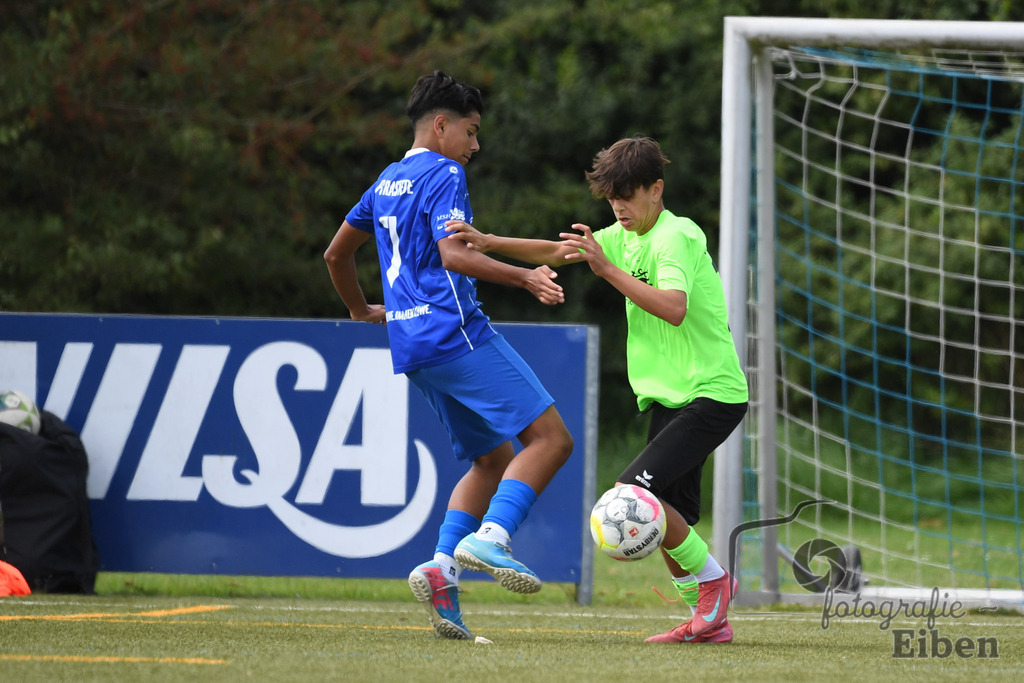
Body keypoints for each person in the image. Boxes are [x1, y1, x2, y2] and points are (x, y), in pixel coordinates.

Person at [445, 135, 749, 644]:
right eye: (611, 199)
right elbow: (562, 250)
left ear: (657, 189)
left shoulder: (676, 236)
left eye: (627, 196)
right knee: (671, 522)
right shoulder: (622, 235)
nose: (619, 208)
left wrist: (605, 269)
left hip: (711, 391)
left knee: (631, 498)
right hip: (670, 397)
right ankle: (708, 620)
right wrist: (489, 241)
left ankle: (715, 586)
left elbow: (673, 307)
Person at [323, 71, 574, 641]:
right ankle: (493, 536)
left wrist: (364, 311)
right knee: (552, 440)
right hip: (456, 335)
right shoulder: (445, 172)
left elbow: (336, 255)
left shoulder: (387, 180)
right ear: (441, 126)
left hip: (412, 346)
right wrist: (525, 276)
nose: (475, 145)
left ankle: (442, 570)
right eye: (471, 131)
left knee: (491, 460)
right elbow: (454, 254)